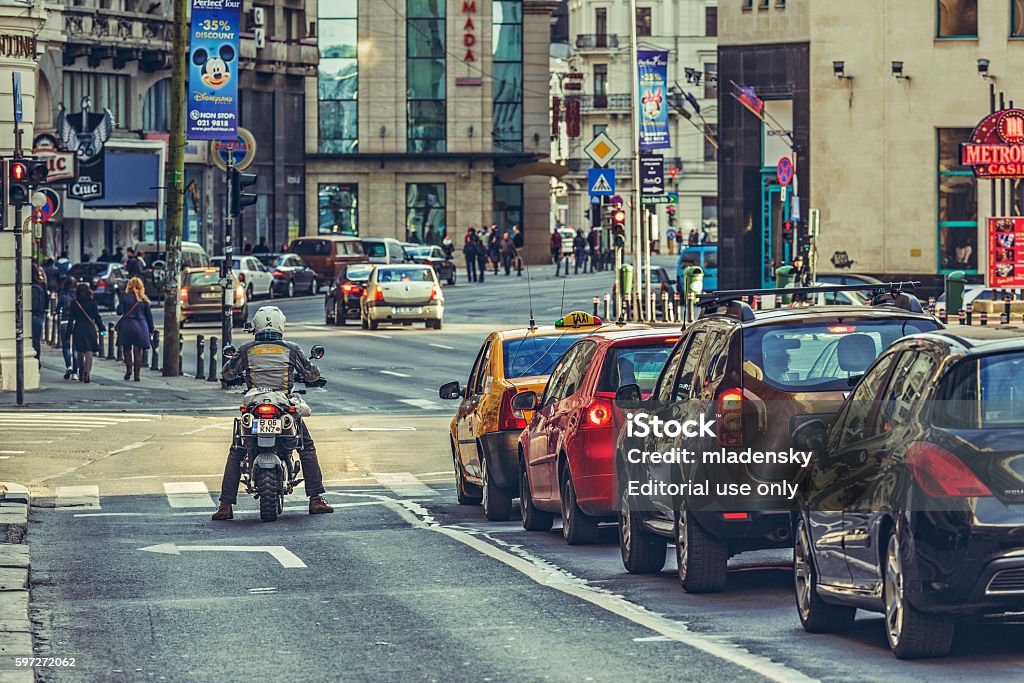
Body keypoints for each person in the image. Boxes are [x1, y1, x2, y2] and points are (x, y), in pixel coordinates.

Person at [213, 306, 334, 519]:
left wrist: (235, 377)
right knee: (305, 446)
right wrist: (313, 375)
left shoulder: (246, 349)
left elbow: (227, 373)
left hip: (255, 407)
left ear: (257, 325)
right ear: (281, 324)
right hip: (283, 406)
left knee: (237, 449)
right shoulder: (292, 349)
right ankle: (316, 499)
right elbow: (311, 374)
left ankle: (225, 505)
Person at [116, 277, 155, 382]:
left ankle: (129, 369)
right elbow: (149, 317)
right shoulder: (144, 300)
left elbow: (119, 311)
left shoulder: (125, 296)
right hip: (141, 326)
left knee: (126, 349)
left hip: (127, 325)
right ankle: (137, 375)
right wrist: (151, 330)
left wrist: (121, 302)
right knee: (138, 352)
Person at [68, 282, 104, 383]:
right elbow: (97, 317)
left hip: (78, 328)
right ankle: (87, 373)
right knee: (89, 351)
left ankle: (81, 370)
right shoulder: (92, 302)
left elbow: (71, 319)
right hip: (89, 329)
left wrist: (68, 333)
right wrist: (102, 329)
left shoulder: (75, 303)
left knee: (80, 351)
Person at [56, 277, 79, 380]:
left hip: (65, 322)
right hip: (76, 322)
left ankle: (68, 366)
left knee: (66, 346)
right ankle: (75, 372)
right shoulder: (78, 296)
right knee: (75, 348)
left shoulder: (63, 295)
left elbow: (57, 309)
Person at [30, 265, 47, 360]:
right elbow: (46, 301)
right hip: (39, 315)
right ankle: (37, 359)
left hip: (29, 315)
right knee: (36, 340)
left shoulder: (26, 285)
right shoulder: (41, 285)